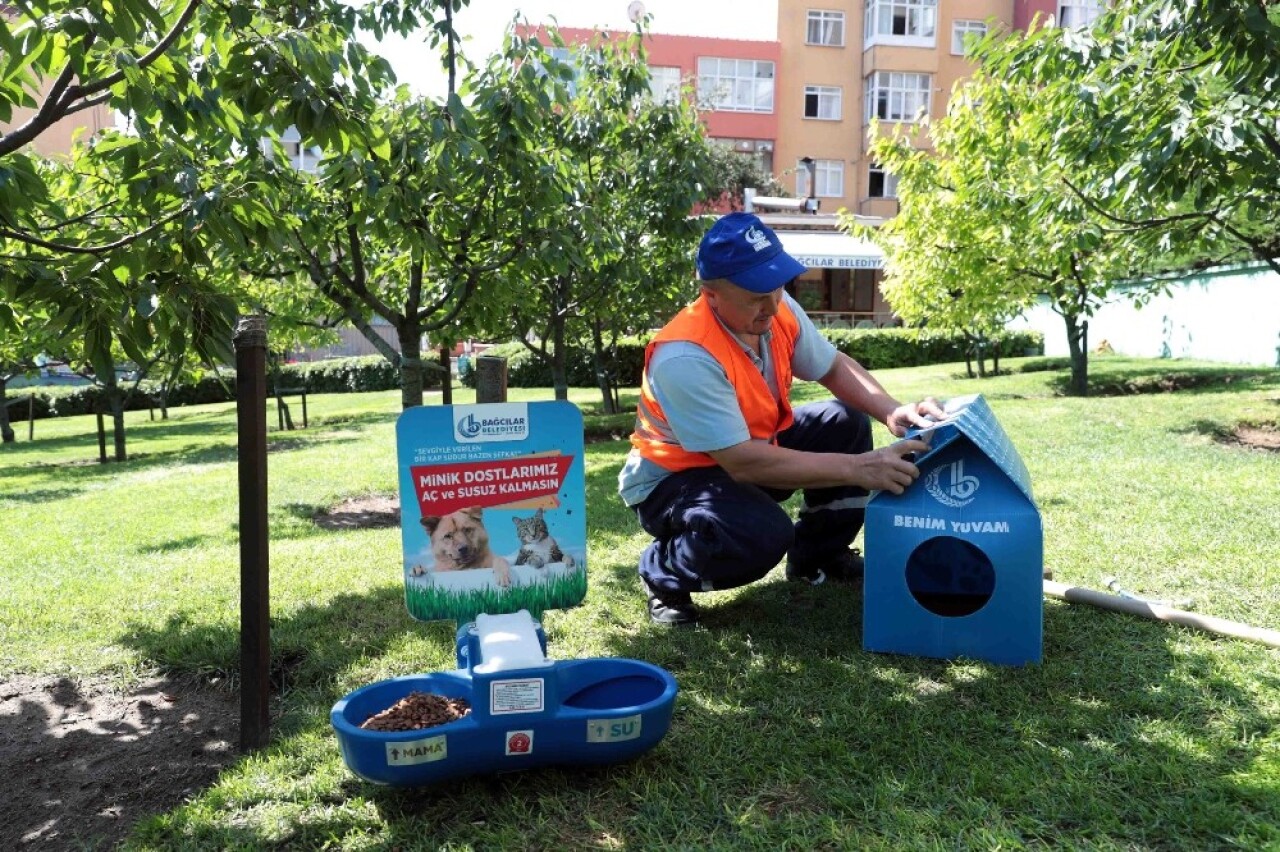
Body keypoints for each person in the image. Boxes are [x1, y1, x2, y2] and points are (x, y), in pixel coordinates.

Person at [617, 212, 946, 626]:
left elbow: (831, 366)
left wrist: (890, 410)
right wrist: (860, 468)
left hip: (751, 450)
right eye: (755, 294)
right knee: (762, 533)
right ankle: (663, 573)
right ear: (711, 294)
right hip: (674, 479)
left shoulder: (776, 307)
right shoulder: (684, 356)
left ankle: (817, 558)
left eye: (776, 286)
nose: (772, 304)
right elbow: (742, 461)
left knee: (845, 422)